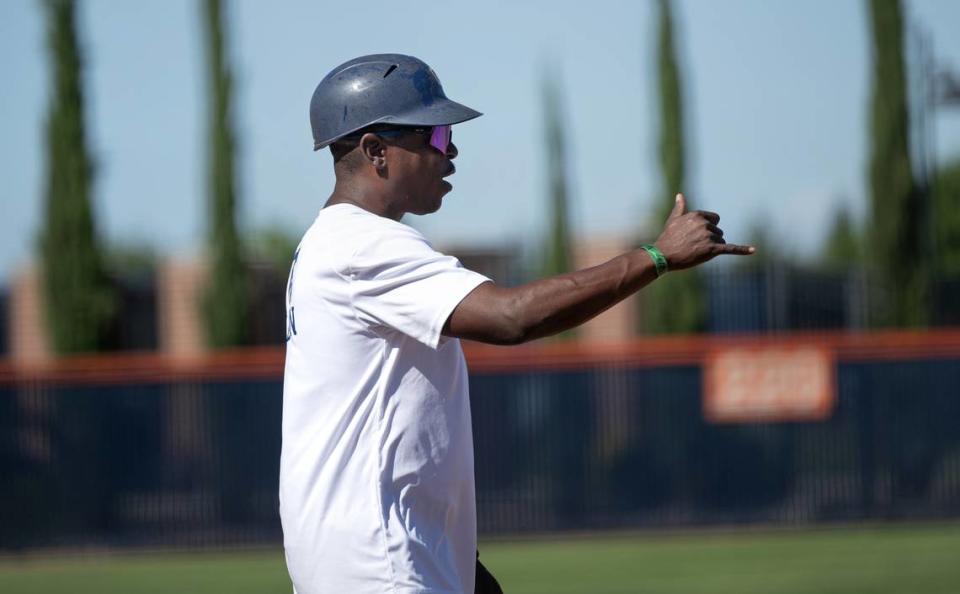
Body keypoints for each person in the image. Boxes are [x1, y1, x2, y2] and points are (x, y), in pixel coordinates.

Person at [279, 53, 754, 594]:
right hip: (379, 566)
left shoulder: (328, 245)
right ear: (375, 151)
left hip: (376, 557)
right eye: (434, 135)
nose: (451, 149)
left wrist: (460, 564)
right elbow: (511, 317)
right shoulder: (363, 244)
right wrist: (657, 255)